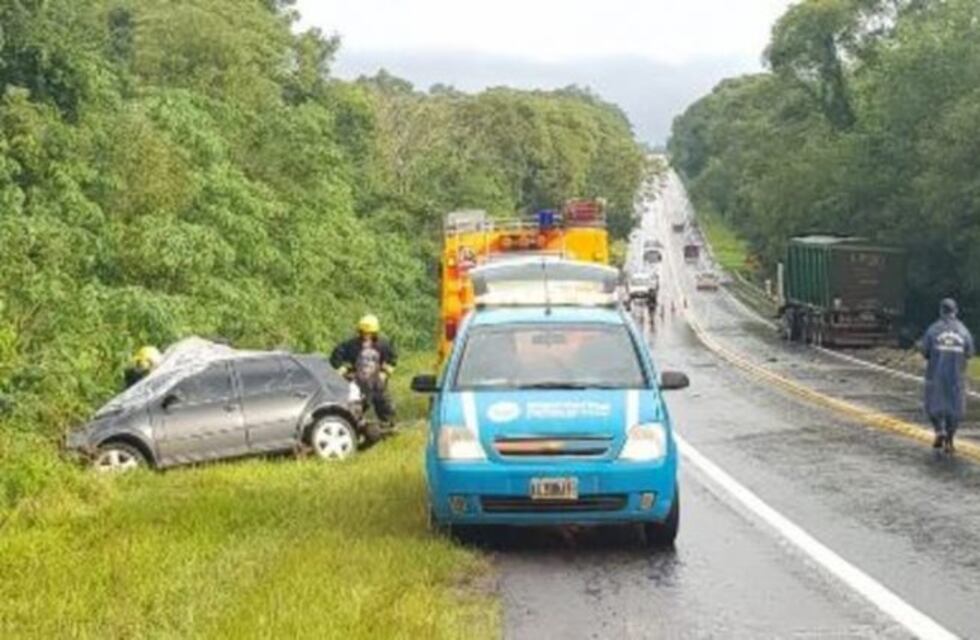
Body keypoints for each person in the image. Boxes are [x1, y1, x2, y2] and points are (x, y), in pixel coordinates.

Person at [921, 298, 975, 453]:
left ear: (941, 311)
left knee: (932, 405)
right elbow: (969, 353)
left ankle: (939, 431)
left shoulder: (933, 329)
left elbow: (925, 352)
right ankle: (950, 440)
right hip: (956, 378)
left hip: (936, 376)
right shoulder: (964, 331)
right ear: (955, 311)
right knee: (955, 409)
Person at [330, 314, 398, 427]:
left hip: (377, 381)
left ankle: (388, 424)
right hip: (358, 380)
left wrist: (385, 373)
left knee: (383, 402)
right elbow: (336, 355)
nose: (366, 336)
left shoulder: (383, 344)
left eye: (369, 333)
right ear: (359, 332)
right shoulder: (351, 345)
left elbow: (393, 358)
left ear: (375, 332)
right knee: (355, 403)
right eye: (363, 333)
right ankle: (354, 425)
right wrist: (343, 369)